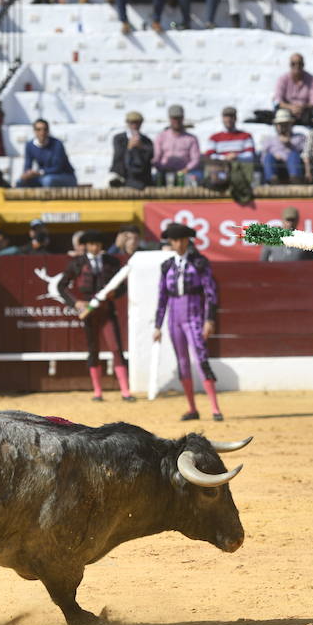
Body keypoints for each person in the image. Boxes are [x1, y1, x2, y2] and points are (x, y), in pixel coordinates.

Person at [154, 222, 223, 421]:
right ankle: (192, 408)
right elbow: (162, 297)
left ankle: (215, 409)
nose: (177, 244)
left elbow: (211, 293)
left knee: (201, 359)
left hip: (194, 317)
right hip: (174, 318)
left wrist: (209, 319)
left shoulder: (199, 263)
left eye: (180, 240)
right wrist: (158, 326)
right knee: (182, 362)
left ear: (187, 240)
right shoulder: (167, 265)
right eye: (173, 240)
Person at [57, 231, 133, 401]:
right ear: (86, 245)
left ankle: (125, 391)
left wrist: (115, 293)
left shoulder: (111, 262)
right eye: (92, 244)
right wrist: (75, 303)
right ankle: (97, 392)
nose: (95, 247)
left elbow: (123, 286)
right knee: (93, 349)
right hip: (89, 312)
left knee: (116, 348)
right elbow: (61, 286)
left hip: (107, 310)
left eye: (98, 244)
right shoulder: (77, 264)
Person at [18, 119, 77, 188]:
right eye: (38, 129)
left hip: (65, 176)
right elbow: (27, 166)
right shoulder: (30, 145)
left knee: (48, 180)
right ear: (34, 131)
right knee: (20, 181)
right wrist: (28, 174)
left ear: (48, 131)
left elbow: (58, 168)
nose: (42, 132)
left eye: (45, 129)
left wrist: (39, 173)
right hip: (44, 176)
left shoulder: (57, 144)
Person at [260, 108, 306, 183]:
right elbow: (262, 158)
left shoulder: (300, 137)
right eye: (280, 124)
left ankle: (295, 179)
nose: (283, 127)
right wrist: (275, 157)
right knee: (268, 157)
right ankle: (272, 180)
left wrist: (290, 145)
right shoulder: (269, 139)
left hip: (295, 167)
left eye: (286, 124)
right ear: (276, 125)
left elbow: (305, 154)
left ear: (291, 124)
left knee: (293, 155)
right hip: (277, 167)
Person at [110, 110, 154, 188]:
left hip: (142, 180)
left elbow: (151, 157)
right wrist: (129, 147)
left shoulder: (146, 141)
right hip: (123, 178)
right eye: (132, 122)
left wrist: (141, 147)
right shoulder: (119, 138)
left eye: (137, 122)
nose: (134, 125)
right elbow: (118, 157)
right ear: (127, 123)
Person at [275, 53, 313, 126]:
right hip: (287, 111)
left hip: (306, 112)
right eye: (294, 64)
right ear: (290, 65)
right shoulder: (282, 79)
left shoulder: (312, 80)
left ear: (303, 64)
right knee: (281, 114)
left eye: (300, 63)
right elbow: (278, 100)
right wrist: (291, 107)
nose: (297, 66)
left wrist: (302, 107)